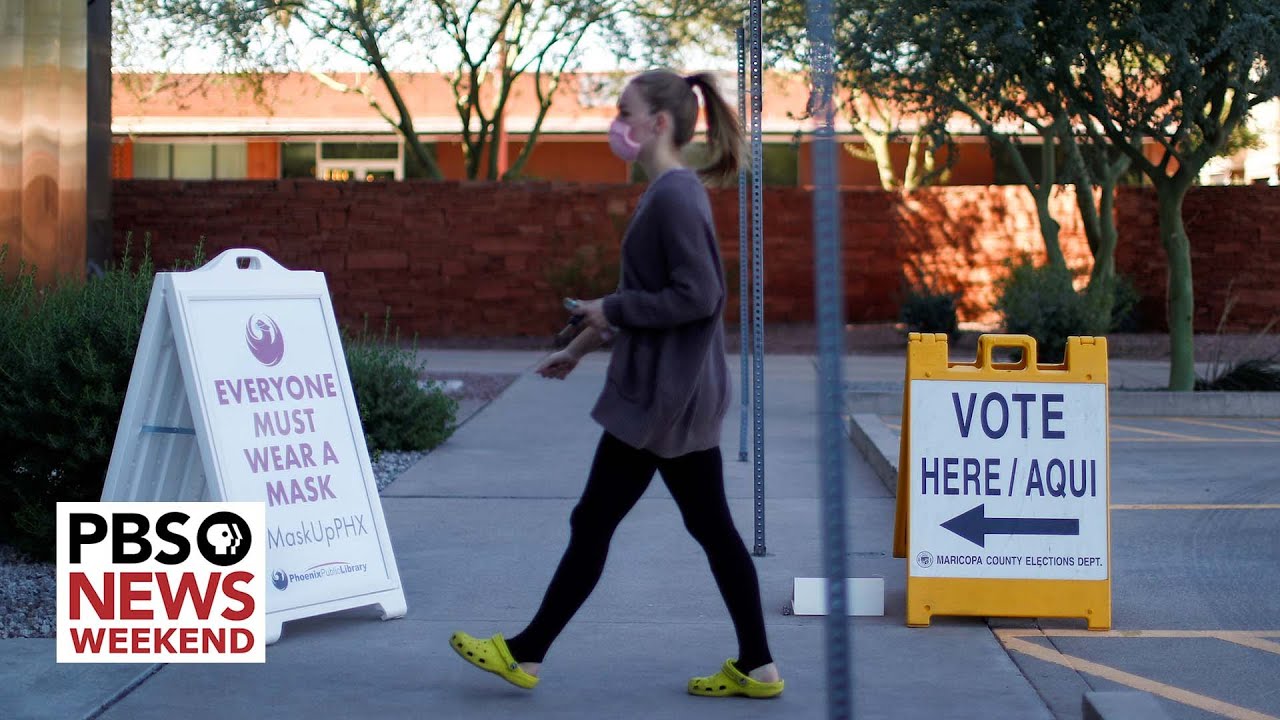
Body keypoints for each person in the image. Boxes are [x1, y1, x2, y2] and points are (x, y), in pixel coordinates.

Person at [450, 69, 783, 700]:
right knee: (703, 529)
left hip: (664, 401)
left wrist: (615, 312)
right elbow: (648, 296)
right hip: (672, 394)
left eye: (625, 112)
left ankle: (526, 653)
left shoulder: (675, 196)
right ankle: (758, 666)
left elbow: (699, 295)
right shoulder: (669, 192)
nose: (617, 124)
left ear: (659, 123)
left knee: (597, 520)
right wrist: (582, 343)